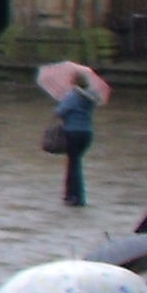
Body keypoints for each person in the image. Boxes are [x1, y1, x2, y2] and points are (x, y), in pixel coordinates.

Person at [56, 79, 99, 208]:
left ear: (75, 83)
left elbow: (60, 112)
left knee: (73, 165)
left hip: (73, 132)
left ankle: (74, 197)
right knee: (76, 163)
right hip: (87, 133)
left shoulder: (73, 96)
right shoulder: (92, 97)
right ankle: (73, 195)